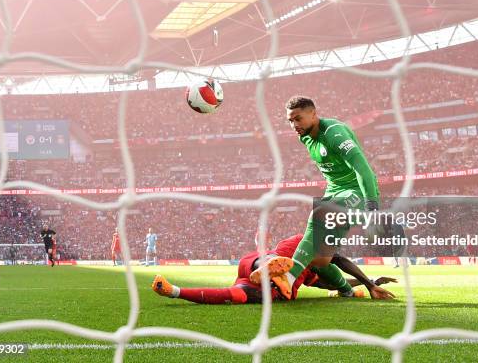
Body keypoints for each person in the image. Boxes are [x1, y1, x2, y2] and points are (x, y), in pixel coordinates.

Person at [251, 96, 380, 298]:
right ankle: (348, 291)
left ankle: (289, 279)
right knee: (319, 261)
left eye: (298, 118)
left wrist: (372, 209)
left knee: (319, 212)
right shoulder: (305, 136)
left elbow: (363, 169)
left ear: (313, 113)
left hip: (358, 192)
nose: (294, 125)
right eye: (290, 121)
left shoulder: (335, 134)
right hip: (334, 192)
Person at [152, 234, 396, 304]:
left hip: (253, 278)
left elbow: (329, 282)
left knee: (236, 295)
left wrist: (369, 281)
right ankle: (270, 270)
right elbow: (339, 261)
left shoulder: (311, 273)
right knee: (273, 258)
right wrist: (368, 283)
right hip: (262, 264)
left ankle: (173, 290)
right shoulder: (305, 242)